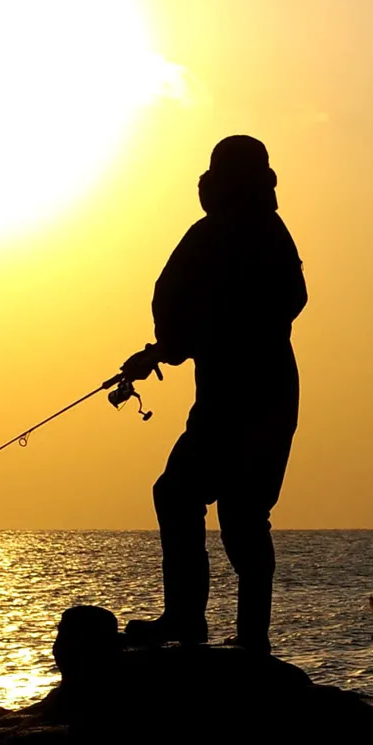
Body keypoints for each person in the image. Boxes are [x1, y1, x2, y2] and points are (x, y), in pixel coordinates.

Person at [121, 135, 306, 655]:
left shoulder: (264, 235)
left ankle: (248, 639)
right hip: (227, 398)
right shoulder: (214, 235)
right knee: (180, 495)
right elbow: (183, 319)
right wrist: (161, 351)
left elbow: (286, 301)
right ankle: (188, 620)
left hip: (259, 398)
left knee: (241, 516)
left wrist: (186, 341)